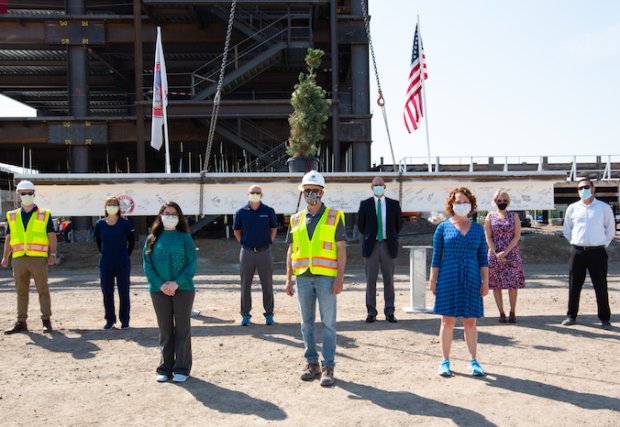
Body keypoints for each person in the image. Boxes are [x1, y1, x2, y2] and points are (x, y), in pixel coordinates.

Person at [286, 170, 346, 387]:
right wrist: (288, 279)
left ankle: (328, 366)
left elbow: (341, 251)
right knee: (306, 324)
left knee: (329, 324)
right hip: (303, 277)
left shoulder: (335, 216)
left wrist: (340, 278)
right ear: (302, 193)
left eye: (315, 190)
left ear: (322, 192)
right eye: (308, 190)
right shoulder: (296, 219)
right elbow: (292, 250)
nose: (312, 193)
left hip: (326, 278)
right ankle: (312, 364)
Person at [429, 187, 489, 377]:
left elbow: (483, 258)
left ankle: (473, 361)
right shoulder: (442, 228)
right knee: (447, 320)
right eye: (458, 202)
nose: (461, 205)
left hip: (471, 277)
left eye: (465, 202)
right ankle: (445, 361)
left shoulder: (478, 229)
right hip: (448, 276)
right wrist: (433, 279)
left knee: (470, 321)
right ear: (451, 204)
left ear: (470, 204)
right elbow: (436, 257)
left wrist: (486, 281)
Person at [144, 201, 197, 383]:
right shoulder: (152, 238)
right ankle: (165, 368)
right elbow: (147, 265)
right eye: (167, 213)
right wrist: (161, 285)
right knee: (165, 328)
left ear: (179, 217)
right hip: (158, 291)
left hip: (183, 289)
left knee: (182, 328)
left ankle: (182, 368)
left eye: (174, 214)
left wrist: (176, 283)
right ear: (160, 215)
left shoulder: (185, 238)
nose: (170, 217)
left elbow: (192, 263)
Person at [1, 180, 57, 334]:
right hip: (18, 258)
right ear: (19, 195)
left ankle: (46, 321)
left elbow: (51, 235)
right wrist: (5, 257)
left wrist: (52, 254)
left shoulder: (44, 214)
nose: (26, 196)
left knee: (42, 289)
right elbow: (9, 238)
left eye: (29, 193)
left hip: (38, 258)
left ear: (34, 194)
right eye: (23, 193)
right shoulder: (11, 216)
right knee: (21, 291)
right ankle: (21, 322)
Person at [562, 178, 615, 330]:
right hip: (577, 252)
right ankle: (571, 316)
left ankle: (605, 318)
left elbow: (610, 230)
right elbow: (567, 230)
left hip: (598, 252)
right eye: (579, 188)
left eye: (585, 187)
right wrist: (577, 242)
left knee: (600, 286)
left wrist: (600, 244)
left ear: (593, 188)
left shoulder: (603, 208)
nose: (582, 190)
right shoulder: (572, 208)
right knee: (574, 285)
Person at [357, 176, 402, 323]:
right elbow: (361, 226)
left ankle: (389, 311)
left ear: (385, 186)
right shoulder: (365, 204)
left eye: (381, 184)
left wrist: (390, 236)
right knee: (371, 280)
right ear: (372, 187)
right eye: (376, 185)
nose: (378, 187)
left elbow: (398, 225)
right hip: (372, 246)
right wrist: (372, 236)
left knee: (389, 280)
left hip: (388, 245)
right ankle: (371, 311)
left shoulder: (394, 204)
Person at [233, 184, 278, 326]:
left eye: (258, 192)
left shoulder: (268, 211)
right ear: (248, 194)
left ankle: (269, 314)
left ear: (262, 195)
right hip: (247, 252)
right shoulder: (241, 212)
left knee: (267, 284)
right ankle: (245, 314)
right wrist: (245, 243)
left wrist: (268, 241)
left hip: (264, 252)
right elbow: (237, 231)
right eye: (252, 192)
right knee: (245, 284)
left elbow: (274, 228)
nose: (255, 194)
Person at [483, 190, 525, 323]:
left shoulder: (515, 216)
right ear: (494, 201)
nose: (502, 203)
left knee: (513, 285)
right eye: (499, 200)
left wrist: (505, 252)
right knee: (496, 285)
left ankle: (512, 311)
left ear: (508, 202)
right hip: (494, 254)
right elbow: (488, 236)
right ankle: (501, 312)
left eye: (504, 201)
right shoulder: (489, 216)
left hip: (511, 252)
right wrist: (496, 253)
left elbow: (517, 236)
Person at [94, 196, 136, 330]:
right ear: (105, 207)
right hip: (106, 263)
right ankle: (110, 320)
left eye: (114, 204)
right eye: (109, 204)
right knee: (107, 292)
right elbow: (98, 242)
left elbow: (132, 240)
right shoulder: (100, 224)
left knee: (124, 292)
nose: (112, 206)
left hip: (122, 263)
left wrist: (125, 254)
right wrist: (105, 253)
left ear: (118, 207)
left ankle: (125, 320)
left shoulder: (124, 223)